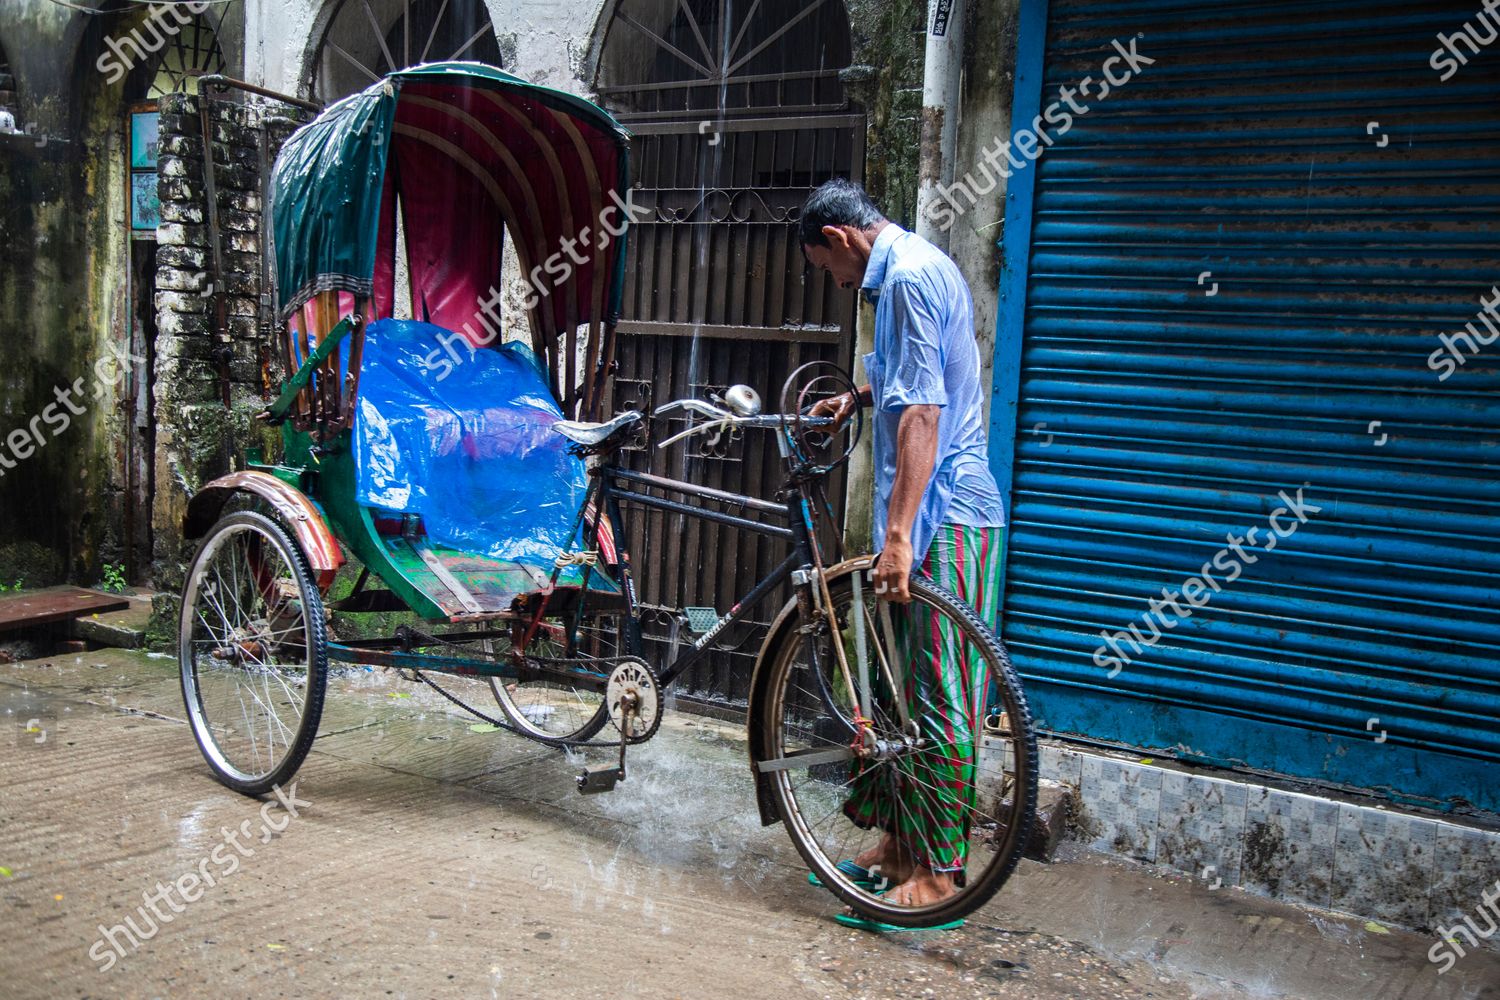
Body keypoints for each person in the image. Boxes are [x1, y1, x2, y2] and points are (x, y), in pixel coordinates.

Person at [802, 178, 1006, 908]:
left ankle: (939, 874)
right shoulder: (896, 283)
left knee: (944, 697)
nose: (836, 280)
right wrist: (855, 397)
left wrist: (895, 535)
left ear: (838, 238)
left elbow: (924, 410)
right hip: (920, 515)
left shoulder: (912, 278)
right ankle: (897, 843)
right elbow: (906, 380)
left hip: (947, 514)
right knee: (901, 691)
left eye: (828, 268)